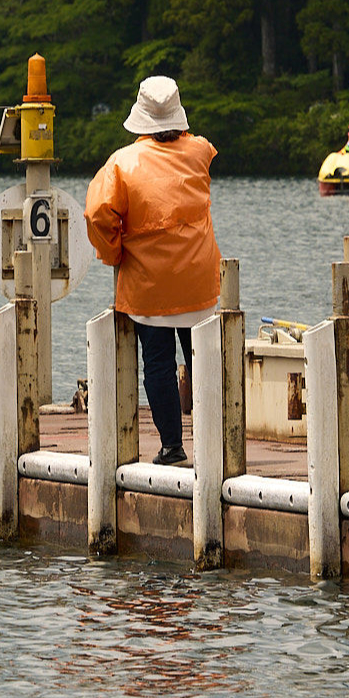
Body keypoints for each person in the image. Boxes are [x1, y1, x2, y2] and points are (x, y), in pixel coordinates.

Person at [84, 76, 221, 467]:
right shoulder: (199, 151)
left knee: (158, 363)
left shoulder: (122, 162)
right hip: (198, 277)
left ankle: (172, 447)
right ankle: (213, 444)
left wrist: (113, 252)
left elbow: (97, 213)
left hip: (148, 281)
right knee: (202, 361)